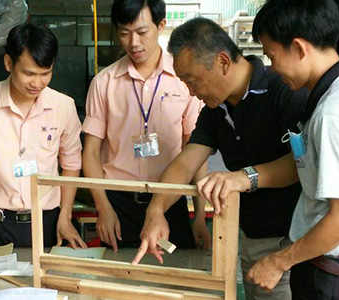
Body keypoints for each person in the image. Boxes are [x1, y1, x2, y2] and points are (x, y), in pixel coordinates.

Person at [130, 17, 309, 300]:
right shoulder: (216, 110)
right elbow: (186, 162)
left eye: (192, 80)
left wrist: (244, 176)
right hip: (252, 236)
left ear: (223, 62)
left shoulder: (283, 91)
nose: (191, 92)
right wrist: (156, 209)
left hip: (295, 241)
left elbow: (304, 162)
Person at [245, 1, 339, 299]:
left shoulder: (333, 113)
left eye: (272, 56)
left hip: (328, 275)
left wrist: (278, 262)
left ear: (299, 48)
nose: (272, 68)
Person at [0, 24, 86, 260]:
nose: (37, 83)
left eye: (45, 74)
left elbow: (71, 163)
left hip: (46, 222)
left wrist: (65, 216)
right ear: (8, 63)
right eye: (29, 74)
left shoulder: (64, 106)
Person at [82, 0, 208, 253]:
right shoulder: (103, 83)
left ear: (161, 25)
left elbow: (195, 150)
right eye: (124, 33)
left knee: (173, 278)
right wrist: (103, 208)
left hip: (170, 201)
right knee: (118, 282)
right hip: (119, 203)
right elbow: (91, 153)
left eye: (141, 32)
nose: (133, 43)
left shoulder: (184, 79)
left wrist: (201, 216)